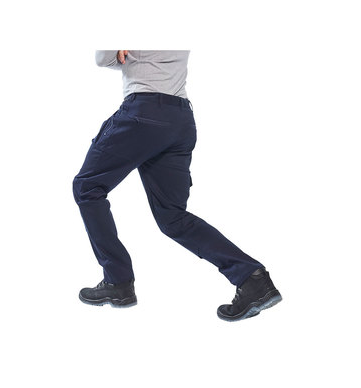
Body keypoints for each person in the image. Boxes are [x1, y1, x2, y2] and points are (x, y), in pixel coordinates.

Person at [72, 50, 282, 322]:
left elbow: (104, 58)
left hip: (142, 114)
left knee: (87, 187)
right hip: (179, 119)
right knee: (172, 217)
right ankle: (252, 279)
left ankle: (118, 280)